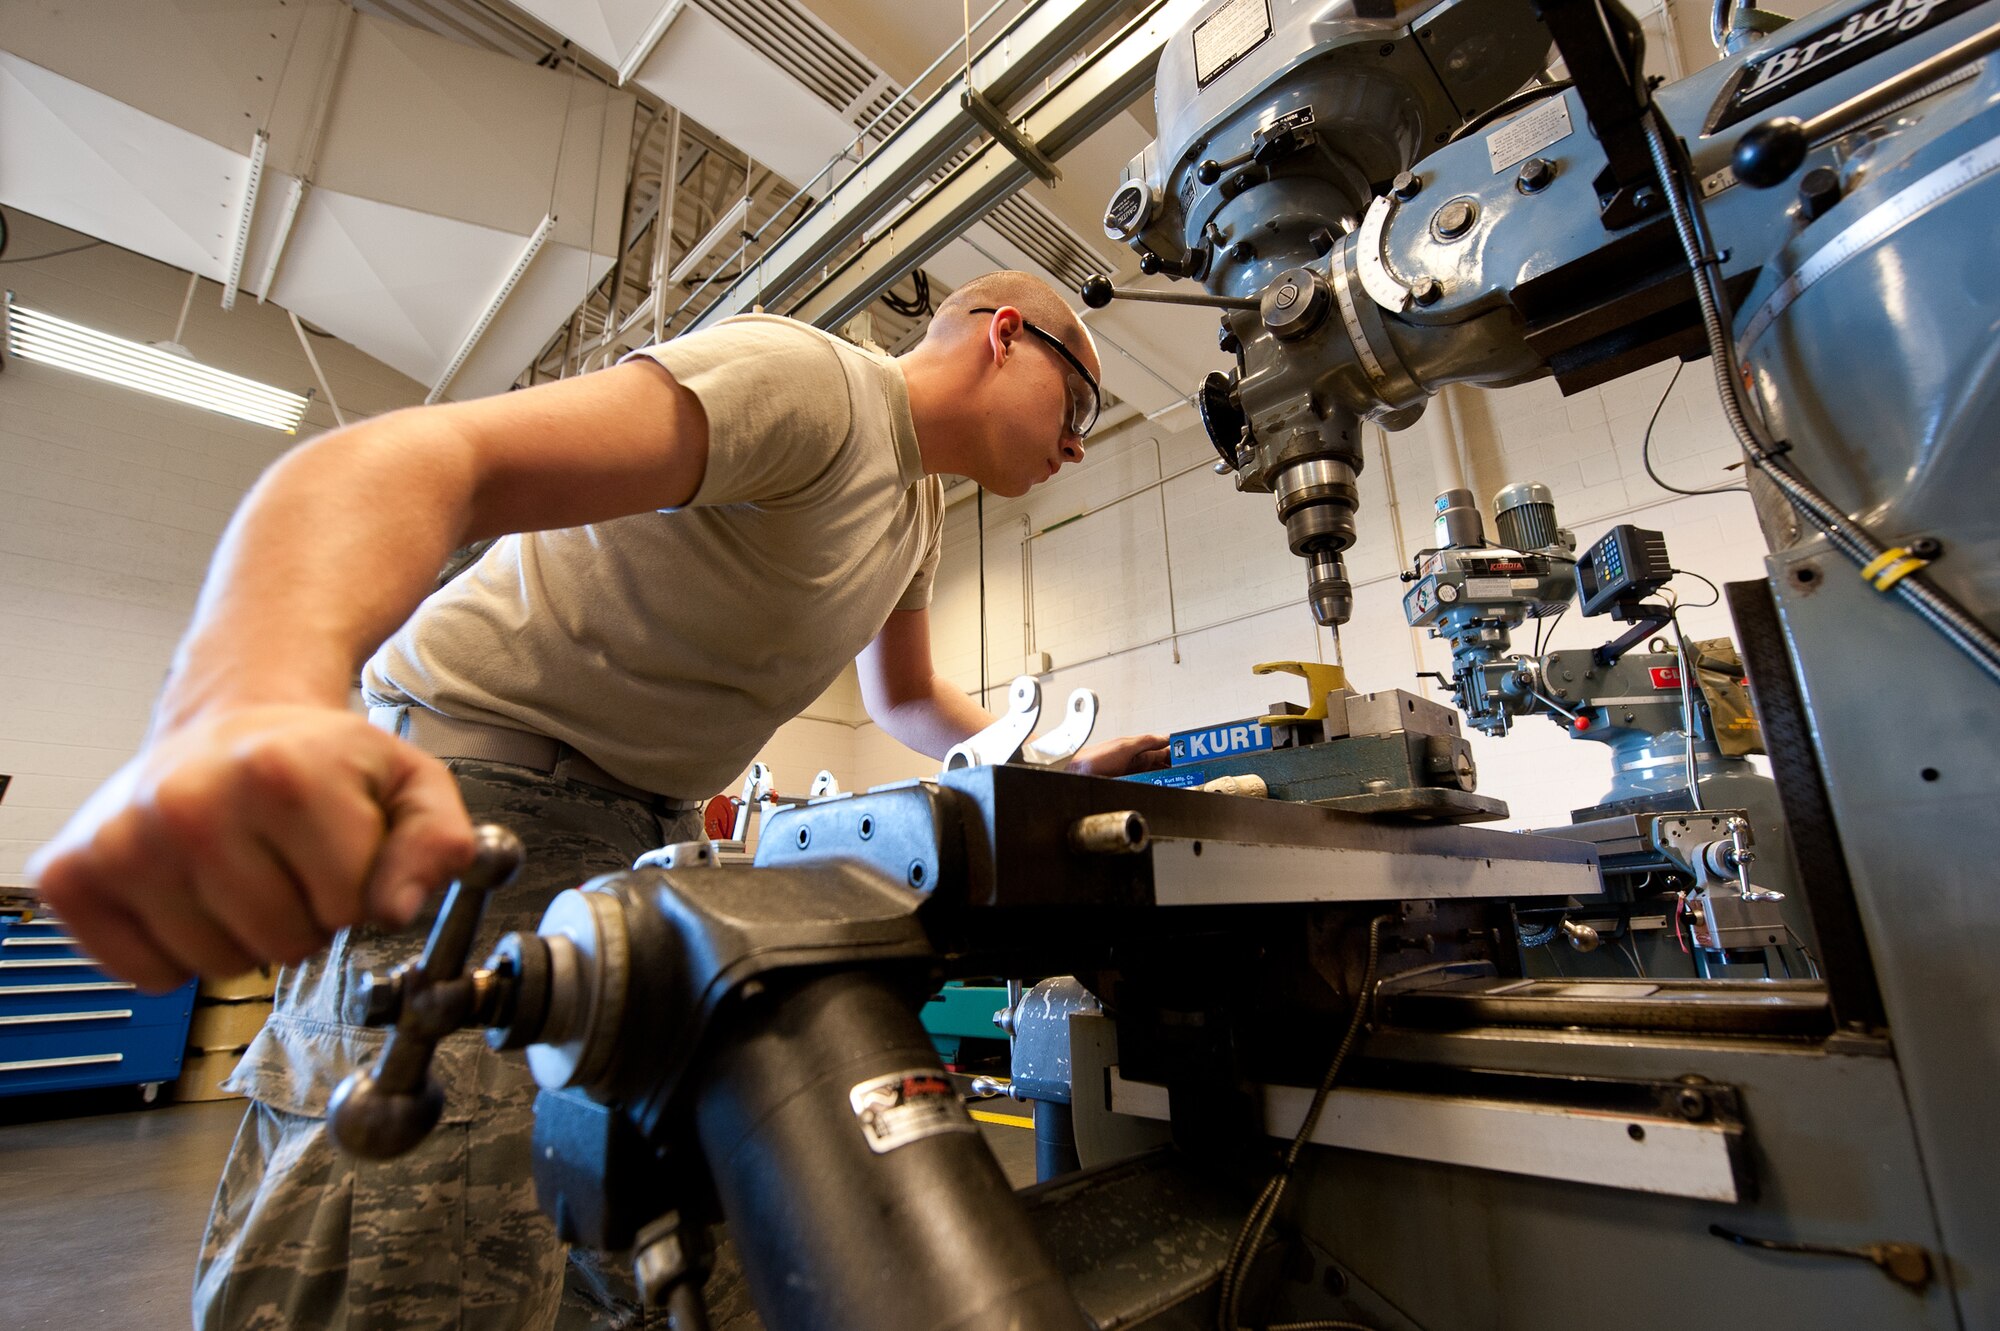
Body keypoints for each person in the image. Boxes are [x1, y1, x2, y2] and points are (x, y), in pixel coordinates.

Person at [26, 269, 1168, 1330]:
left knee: (677, 1238)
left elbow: (909, 697)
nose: (1077, 444)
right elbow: (415, 459)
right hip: (482, 815)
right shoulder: (812, 387)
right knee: (403, 1255)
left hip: (648, 847)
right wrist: (244, 700)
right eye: (1077, 402)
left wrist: (1031, 773)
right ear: (1004, 334)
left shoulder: (915, 508)